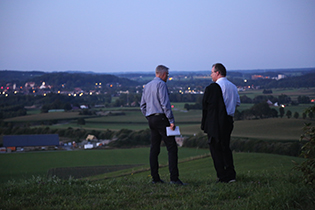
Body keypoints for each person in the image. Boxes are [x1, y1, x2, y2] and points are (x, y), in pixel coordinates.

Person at [140, 65, 186, 185]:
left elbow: (142, 106)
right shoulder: (161, 85)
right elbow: (165, 103)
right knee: (171, 147)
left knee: (154, 149)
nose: (168, 77)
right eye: (167, 75)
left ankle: (155, 179)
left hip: (151, 119)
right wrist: (171, 120)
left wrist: (149, 116)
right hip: (161, 118)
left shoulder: (147, 86)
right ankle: (174, 179)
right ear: (163, 74)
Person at [201, 63, 240, 183]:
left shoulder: (216, 87)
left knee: (216, 149)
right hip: (229, 120)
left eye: (212, 72)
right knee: (226, 148)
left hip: (217, 121)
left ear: (217, 73)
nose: (211, 75)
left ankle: (222, 176)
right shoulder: (233, 86)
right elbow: (237, 103)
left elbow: (214, 107)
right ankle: (230, 174)